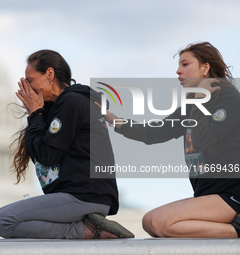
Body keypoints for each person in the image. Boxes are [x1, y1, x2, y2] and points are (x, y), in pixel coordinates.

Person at [0, 49, 134, 239]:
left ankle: (87, 230)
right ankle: (87, 226)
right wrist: (37, 115)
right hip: (82, 194)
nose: (27, 88)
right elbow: (40, 154)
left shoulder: (72, 103)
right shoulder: (61, 106)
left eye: (30, 80)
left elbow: (47, 156)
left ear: (49, 74)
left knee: (2, 221)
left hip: (84, 195)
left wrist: (35, 114)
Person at [101, 42, 240, 238]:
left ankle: (237, 230)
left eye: (185, 64)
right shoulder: (192, 105)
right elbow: (153, 133)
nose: (178, 71)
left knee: (160, 224)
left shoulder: (229, 99)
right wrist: (112, 119)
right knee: (148, 221)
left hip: (232, 194)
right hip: (208, 194)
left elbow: (201, 140)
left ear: (205, 68)